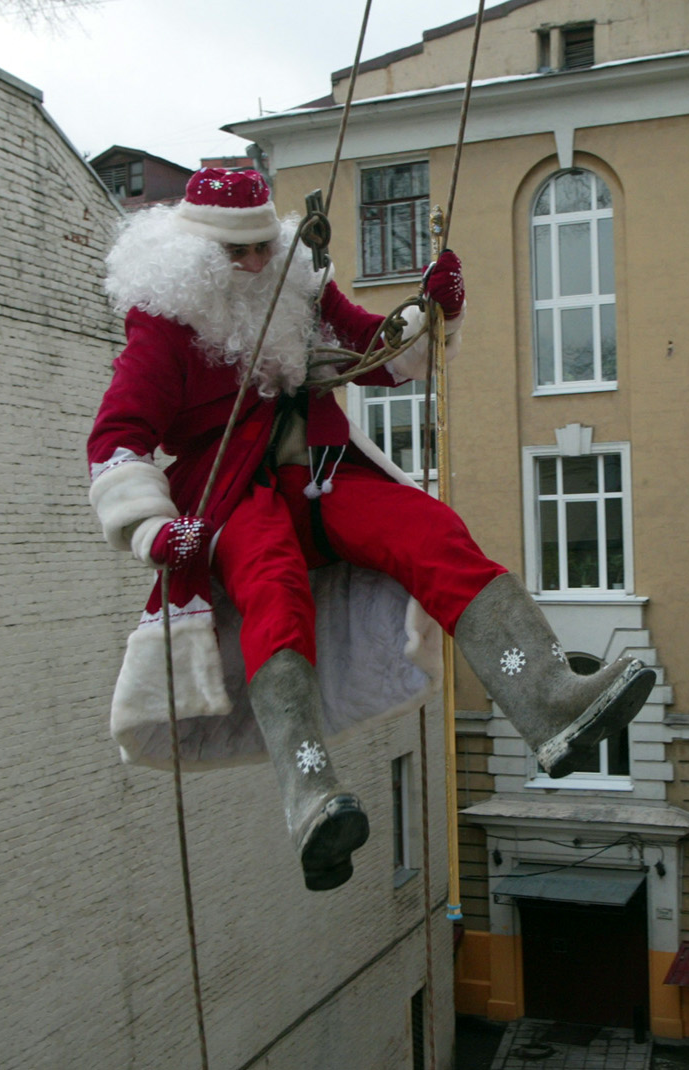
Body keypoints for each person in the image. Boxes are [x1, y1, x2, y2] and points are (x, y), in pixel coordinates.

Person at [87, 168, 653, 891]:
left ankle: (547, 699)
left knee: (429, 530)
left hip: (320, 474)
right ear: (196, 257)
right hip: (230, 493)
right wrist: (153, 531)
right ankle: (310, 792)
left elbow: (371, 352)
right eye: (238, 254)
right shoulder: (163, 326)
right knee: (272, 587)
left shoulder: (297, 284)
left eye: (264, 245)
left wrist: (429, 314)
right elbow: (116, 439)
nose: (258, 263)